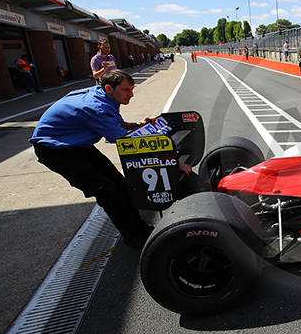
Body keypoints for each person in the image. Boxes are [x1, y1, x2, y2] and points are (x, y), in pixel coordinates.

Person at [29, 70, 189, 249]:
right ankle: (133, 237)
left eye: (132, 89)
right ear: (108, 88)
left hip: (77, 145)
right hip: (56, 150)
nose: (131, 94)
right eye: (126, 90)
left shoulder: (104, 98)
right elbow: (129, 144)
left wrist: (140, 124)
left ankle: (141, 228)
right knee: (107, 190)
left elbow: (120, 125)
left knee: (121, 183)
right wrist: (173, 163)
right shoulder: (96, 107)